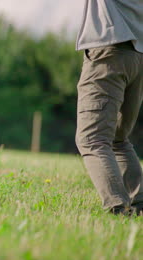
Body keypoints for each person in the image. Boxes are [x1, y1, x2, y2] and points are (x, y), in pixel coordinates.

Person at [75, 0, 143, 215]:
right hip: (137, 55)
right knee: (118, 140)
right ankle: (140, 205)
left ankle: (119, 209)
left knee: (92, 139)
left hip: (109, 51)